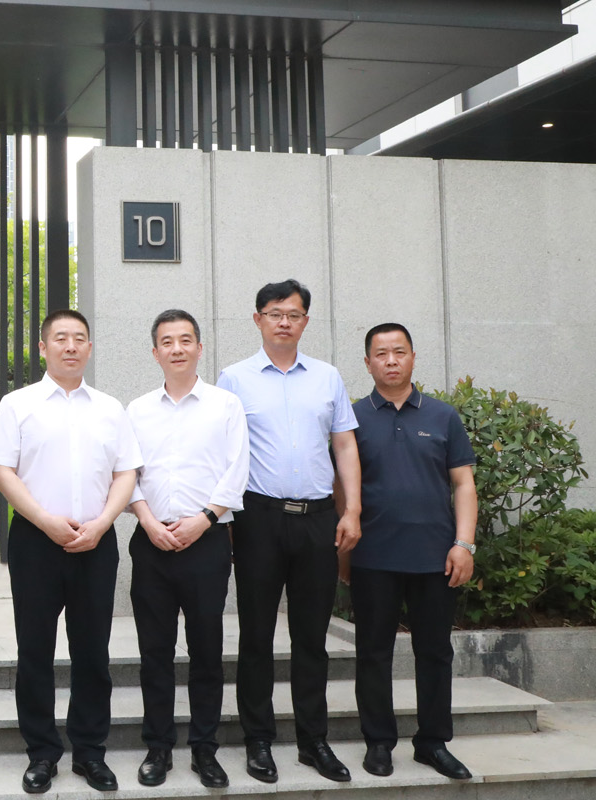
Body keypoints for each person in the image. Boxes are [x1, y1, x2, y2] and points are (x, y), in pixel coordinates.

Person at [0, 309, 141, 795]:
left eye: (79, 338)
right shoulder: (18, 404)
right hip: (36, 541)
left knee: (92, 650)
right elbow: (2, 471)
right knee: (34, 650)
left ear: (89, 348)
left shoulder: (110, 408)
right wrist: (44, 519)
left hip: (96, 540)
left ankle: (90, 751)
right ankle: (41, 752)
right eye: (60, 338)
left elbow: (126, 472)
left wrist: (103, 522)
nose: (70, 346)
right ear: (43, 347)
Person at [216, 278, 361, 784]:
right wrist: (224, 519)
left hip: (318, 519)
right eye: (274, 313)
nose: (284, 322)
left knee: (311, 638)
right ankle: (258, 740)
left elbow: (345, 445)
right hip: (258, 518)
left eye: (293, 314)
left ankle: (313, 740)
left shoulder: (327, 377)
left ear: (305, 322)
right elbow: (223, 452)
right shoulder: (233, 379)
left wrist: (352, 510)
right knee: (256, 635)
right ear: (257, 320)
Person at [345, 323, 477, 781]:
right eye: (381, 353)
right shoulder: (352, 418)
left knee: (435, 652)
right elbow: (343, 490)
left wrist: (464, 544)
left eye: (399, 352)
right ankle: (379, 742)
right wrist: (343, 555)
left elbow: (463, 484)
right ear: (368, 363)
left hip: (435, 557)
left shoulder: (443, 416)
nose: (391, 360)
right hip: (373, 556)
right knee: (372, 652)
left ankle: (433, 742)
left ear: (413, 358)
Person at [125, 309, 249, 789]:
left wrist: (205, 519)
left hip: (207, 541)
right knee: (154, 652)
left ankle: (204, 749)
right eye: (167, 341)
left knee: (206, 650)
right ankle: (158, 747)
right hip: (152, 541)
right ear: (155, 352)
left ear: (199, 347)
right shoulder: (137, 410)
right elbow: (126, 474)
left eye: (185, 340)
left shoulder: (225, 405)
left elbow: (237, 470)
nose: (176, 348)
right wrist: (147, 520)